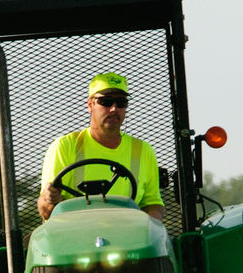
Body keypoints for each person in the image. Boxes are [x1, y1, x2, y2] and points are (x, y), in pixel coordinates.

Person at [37, 72, 164, 222]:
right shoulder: (66, 146)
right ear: (90, 105)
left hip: (126, 233)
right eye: (106, 102)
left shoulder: (143, 150)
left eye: (121, 103)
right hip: (75, 233)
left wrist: (150, 225)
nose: (114, 109)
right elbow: (46, 210)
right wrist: (49, 199)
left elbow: (153, 203)